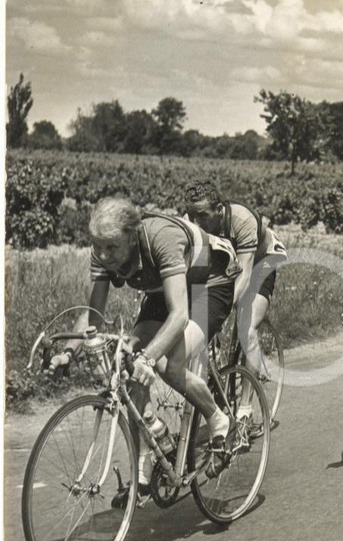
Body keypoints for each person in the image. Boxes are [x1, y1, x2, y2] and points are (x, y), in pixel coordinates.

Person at [47, 197, 240, 497]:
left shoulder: (161, 239)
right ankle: (145, 466)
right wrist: (68, 352)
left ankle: (220, 421)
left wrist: (149, 358)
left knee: (169, 364)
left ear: (132, 236)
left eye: (111, 247)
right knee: (127, 359)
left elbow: (179, 315)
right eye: (97, 246)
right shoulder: (105, 251)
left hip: (209, 281)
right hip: (166, 286)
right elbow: (92, 314)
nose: (103, 255)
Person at [183, 181, 286, 386]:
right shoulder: (191, 222)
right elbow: (195, 272)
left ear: (219, 210)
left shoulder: (242, 220)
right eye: (192, 215)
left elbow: (245, 274)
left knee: (247, 330)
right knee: (201, 316)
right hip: (228, 259)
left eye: (203, 215)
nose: (196, 222)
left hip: (260, 261)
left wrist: (223, 309)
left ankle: (247, 401)